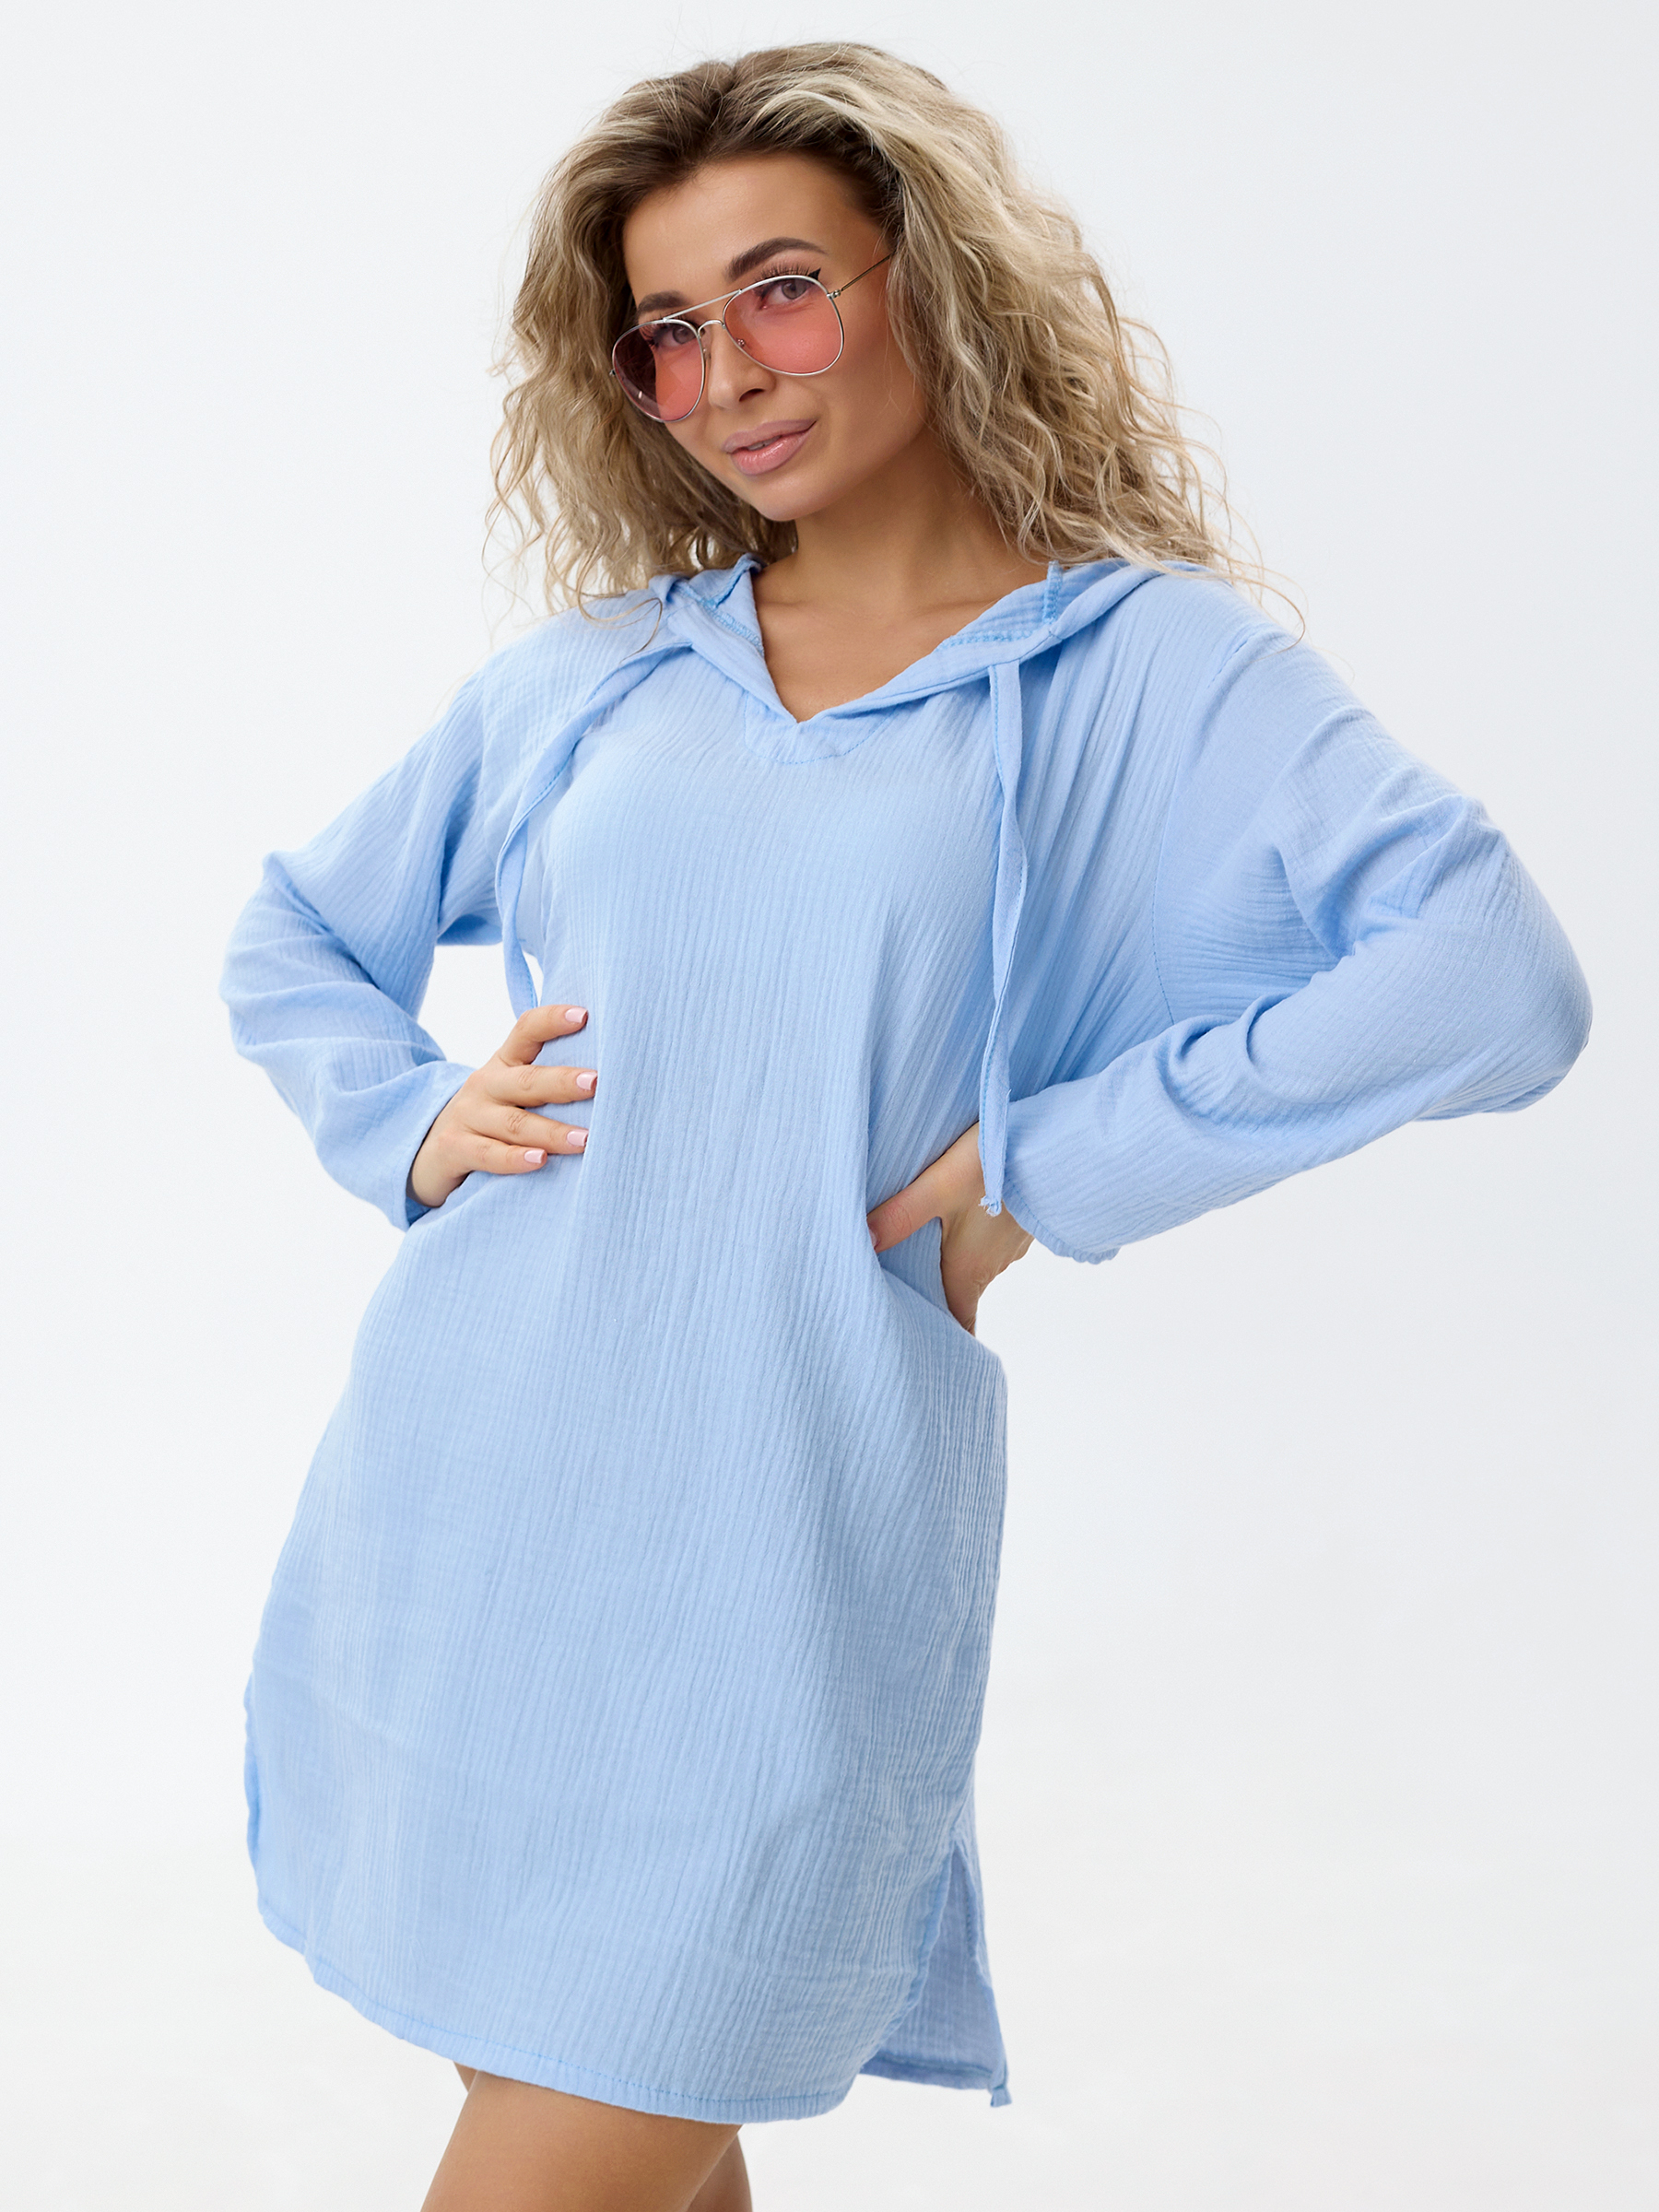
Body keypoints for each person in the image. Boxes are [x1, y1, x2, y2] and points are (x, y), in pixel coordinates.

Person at [219, 41, 1591, 2212]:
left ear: (927, 276)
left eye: (780, 288)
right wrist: (407, 1120)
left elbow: (1491, 975)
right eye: (667, 333)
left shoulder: (1142, 671)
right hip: (469, 1515)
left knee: (625, 2081)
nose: (727, 376)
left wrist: (1051, 1166)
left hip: (785, 1552)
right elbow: (297, 933)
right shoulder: (598, 675)